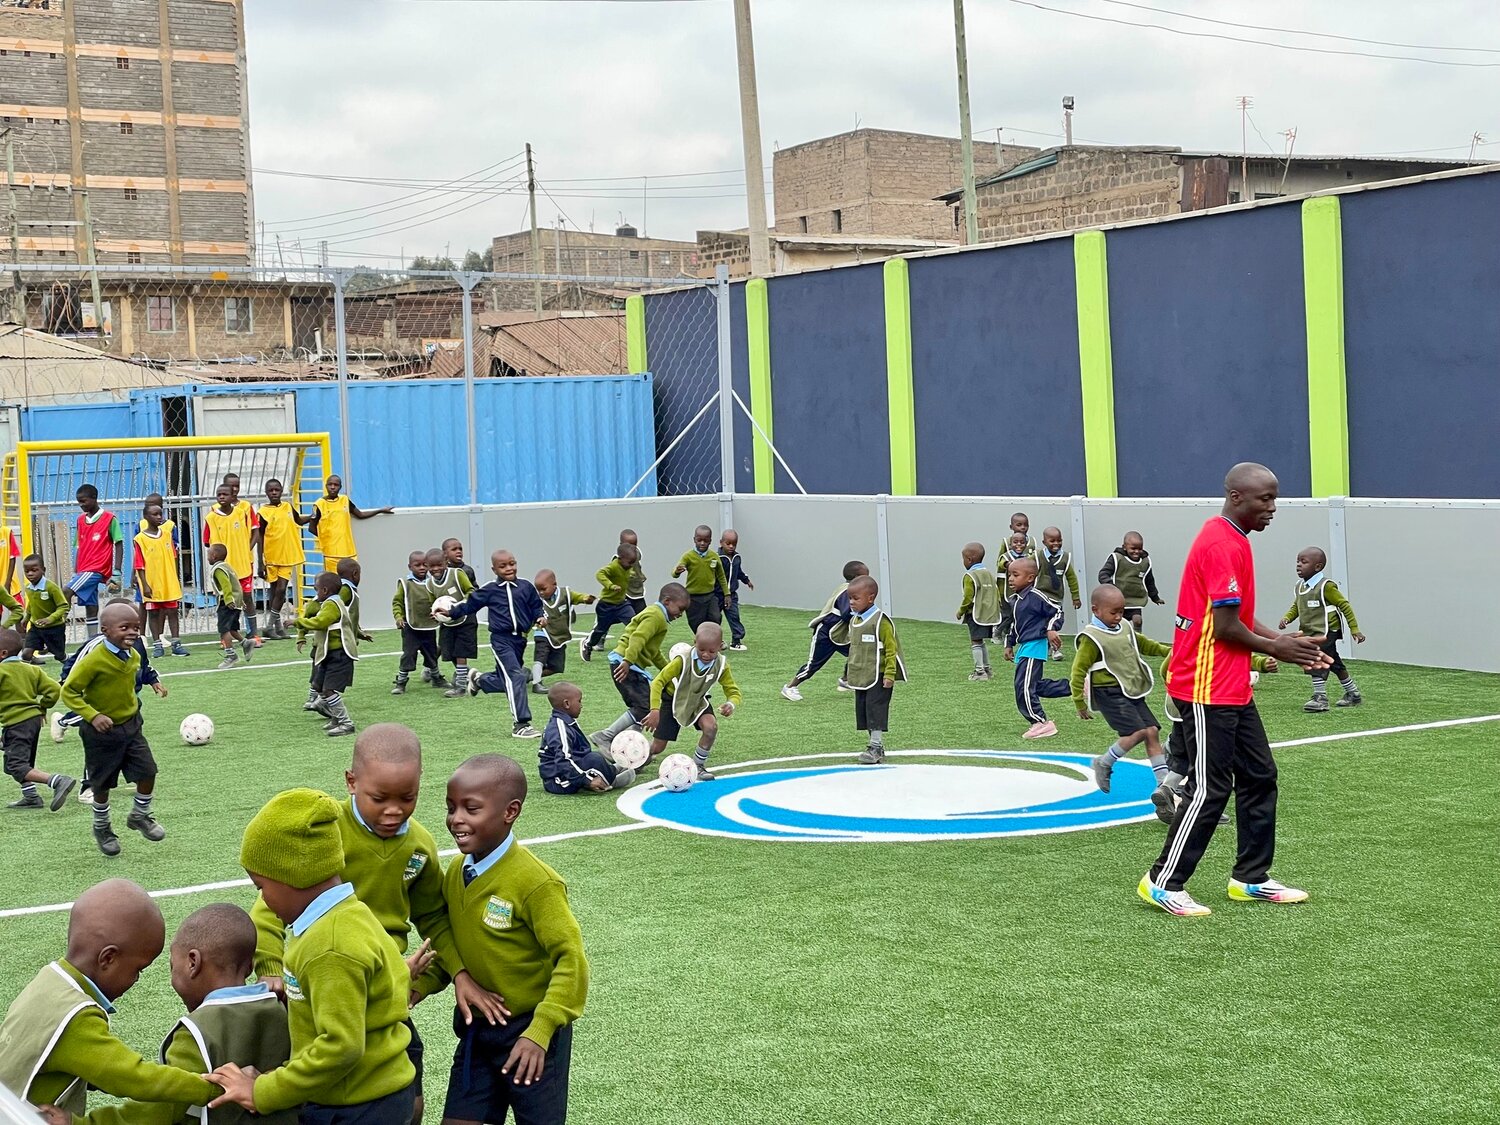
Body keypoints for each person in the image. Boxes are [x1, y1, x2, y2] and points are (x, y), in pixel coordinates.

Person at [1140, 462, 1331, 918]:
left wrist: (1289, 644)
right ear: (1236, 496)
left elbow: (1240, 618)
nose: (1273, 509)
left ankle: (1250, 878)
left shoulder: (1234, 540)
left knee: (1260, 775)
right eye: (1265, 499)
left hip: (1229, 684)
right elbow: (1225, 629)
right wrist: (1277, 648)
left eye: (1275, 499)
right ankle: (1163, 882)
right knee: (1210, 786)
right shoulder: (1220, 543)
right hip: (1205, 684)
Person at [251, 725, 448, 1125]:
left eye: (407, 798)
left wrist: (424, 981)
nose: (393, 810)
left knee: (406, 1088)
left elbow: (437, 921)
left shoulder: (420, 846)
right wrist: (270, 969)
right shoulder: (322, 834)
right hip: (326, 978)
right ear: (351, 782)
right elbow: (268, 907)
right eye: (380, 799)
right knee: (327, 1064)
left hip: (383, 986)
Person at [208, 789, 417, 1124]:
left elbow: (341, 1047)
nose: (263, 900)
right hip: (376, 1096)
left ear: (292, 875)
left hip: (355, 1106)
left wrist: (263, 1090)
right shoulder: (353, 915)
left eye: (261, 887)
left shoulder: (328, 947)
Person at [432, 755, 588, 1125]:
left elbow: (572, 960)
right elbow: (457, 943)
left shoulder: (537, 883)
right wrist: (414, 988)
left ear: (510, 811)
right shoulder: (456, 871)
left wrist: (541, 1031)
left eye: (471, 808)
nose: (456, 819)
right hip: (477, 1035)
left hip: (531, 1037)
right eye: (451, 808)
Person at [0, 880, 221, 1117]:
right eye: (138, 969)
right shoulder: (77, 1017)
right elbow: (134, 1077)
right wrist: (214, 1088)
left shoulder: (48, 980)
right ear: (107, 959)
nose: (136, 980)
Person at [99, 903, 296, 1125]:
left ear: (193, 962)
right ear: (250, 967)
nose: (172, 977)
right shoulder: (286, 1009)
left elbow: (159, 1109)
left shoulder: (195, 1032)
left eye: (173, 967)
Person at [60, 601, 168, 855]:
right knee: (102, 785)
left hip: (131, 725)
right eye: (124, 627)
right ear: (105, 630)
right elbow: (69, 691)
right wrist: (92, 715)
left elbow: (134, 679)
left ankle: (140, 815)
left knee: (148, 771)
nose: (132, 632)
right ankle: (102, 827)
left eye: (136, 627)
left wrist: (148, 687)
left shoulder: (134, 655)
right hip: (101, 732)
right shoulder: (94, 658)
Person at [1152, 652, 1277, 826]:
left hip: (1179, 703)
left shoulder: (1187, 636)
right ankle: (1204, 808)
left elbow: (1165, 669)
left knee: (1187, 754)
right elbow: (1239, 654)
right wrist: (1261, 663)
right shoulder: (1214, 636)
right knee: (1210, 759)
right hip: (1205, 703)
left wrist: (1177, 687)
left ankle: (1168, 786)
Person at [1071, 585, 1172, 792]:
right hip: (1108, 692)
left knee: (1152, 731)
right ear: (1095, 610)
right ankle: (1104, 762)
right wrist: (1079, 702)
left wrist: (1170, 651)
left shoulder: (1125, 626)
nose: (1118, 616)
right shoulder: (1091, 637)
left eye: (1121, 611)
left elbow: (1144, 644)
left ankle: (1164, 784)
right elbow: (1077, 671)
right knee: (1137, 732)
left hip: (1129, 689)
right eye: (1113, 612)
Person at [442, 549, 546, 739]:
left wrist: (540, 617)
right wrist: (450, 612)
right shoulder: (490, 589)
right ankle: (521, 724)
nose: (509, 568)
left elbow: (536, 606)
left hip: (520, 640)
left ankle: (479, 680)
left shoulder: (526, 587)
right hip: (501, 640)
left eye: (512, 564)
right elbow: (469, 605)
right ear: (494, 569)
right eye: (503, 566)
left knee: (507, 679)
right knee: (516, 676)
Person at [589, 583, 690, 751]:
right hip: (625, 665)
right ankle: (605, 736)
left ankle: (631, 749)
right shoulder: (655, 616)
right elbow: (638, 638)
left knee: (642, 706)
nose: (681, 614)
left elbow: (653, 652)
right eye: (680, 608)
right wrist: (627, 661)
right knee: (644, 707)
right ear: (667, 601)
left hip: (630, 665)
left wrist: (672, 671)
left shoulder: (658, 617)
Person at [644, 621, 741, 781]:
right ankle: (636, 760)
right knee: (658, 747)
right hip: (673, 700)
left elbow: (733, 691)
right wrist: (655, 710)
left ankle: (698, 765)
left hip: (698, 700)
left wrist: (730, 703)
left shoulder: (721, 665)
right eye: (701, 649)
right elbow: (657, 682)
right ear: (694, 642)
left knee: (711, 727)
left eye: (712, 651)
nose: (706, 654)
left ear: (720, 646)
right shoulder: (682, 660)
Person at [1279, 546, 1365, 712]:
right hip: (1310, 632)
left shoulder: (1326, 586)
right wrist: (1287, 618)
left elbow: (1344, 605)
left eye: (1303, 562)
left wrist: (1354, 629)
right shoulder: (1299, 586)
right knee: (1334, 663)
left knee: (1315, 659)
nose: (1298, 565)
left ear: (1317, 567)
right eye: (1297, 561)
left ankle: (1320, 698)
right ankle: (1353, 693)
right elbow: (1297, 606)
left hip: (1327, 631)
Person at [832, 575, 906, 765]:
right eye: (850, 598)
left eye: (856, 599)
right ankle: (874, 744)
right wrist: (849, 673)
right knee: (864, 711)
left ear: (871, 598)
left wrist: (889, 674)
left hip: (879, 677)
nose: (851, 603)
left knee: (876, 710)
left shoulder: (881, 621)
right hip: (861, 676)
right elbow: (854, 649)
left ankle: (876, 747)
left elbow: (892, 649)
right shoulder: (854, 620)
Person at [0, 626, 72, 810]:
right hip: (33, 721)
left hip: (16, 723)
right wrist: (43, 707)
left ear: (2, 653)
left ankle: (56, 781)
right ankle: (31, 796)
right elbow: (54, 690)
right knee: (18, 761)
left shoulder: (2, 672)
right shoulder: (32, 670)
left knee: (17, 765)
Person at [781, 561, 867, 702]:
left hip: (839, 634)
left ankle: (846, 679)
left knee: (857, 651)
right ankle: (790, 687)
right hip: (826, 633)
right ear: (857, 577)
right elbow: (846, 613)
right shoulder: (847, 590)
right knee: (813, 665)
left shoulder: (849, 589)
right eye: (865, 577)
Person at [1004, 557, 1069, 740]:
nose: (1010, 579)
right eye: (1010, 574)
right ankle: (1077, 686)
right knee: (1034, 686)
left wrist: (1051, 629)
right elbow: (1014, 625)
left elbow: (1057, 610)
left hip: (1035, 646)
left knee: (1022, 687)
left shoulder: (1036, 596)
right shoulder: (1015, 600)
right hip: (1024, 647)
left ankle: (1040, 723)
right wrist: (1009, 644)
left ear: (1030, 578)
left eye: (1015, 575)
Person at [538, 681, 634, 794]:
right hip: (558, 780)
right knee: (594, 759)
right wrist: (587, 780)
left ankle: (611, 771)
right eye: (579, 701)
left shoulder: (566, 721)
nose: (581, 705)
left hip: (565, 771)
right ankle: (610, 781)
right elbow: (563, 760)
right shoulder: (559, 728)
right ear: (567, 704)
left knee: (593, 757)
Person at [295, 571, 359, 738]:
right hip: (328, 654)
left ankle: (346, 723)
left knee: (329, 690)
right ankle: (336, 719)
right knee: (319, 687)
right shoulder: (332, 602)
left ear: (324, 590)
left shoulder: (331, 604)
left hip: (339, 654)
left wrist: (297, 621)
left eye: (316, 590)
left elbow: (320, 622)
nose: (316, 594)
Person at [203, 482, 261, 648]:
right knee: (225, 602)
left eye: (225, 494)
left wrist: (245, 550)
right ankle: (227, 637)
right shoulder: (211, 517)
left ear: (233, 496)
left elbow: (254, 531)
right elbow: (207, 542)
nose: (222, 497)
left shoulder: (242, 513)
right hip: (224, 569)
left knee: (247, 598)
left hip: (242, 565)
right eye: (219, 494)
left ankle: (253, 633)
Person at [65, 484, 124, 639]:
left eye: (83, 501)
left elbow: (119, 543)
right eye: (79, 502)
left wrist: (117, 572)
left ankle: (55, 626)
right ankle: (92, 641)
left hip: (96, 569)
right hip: (83, 570)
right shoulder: (80, 520)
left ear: (94, 498)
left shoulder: (110, 519)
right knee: (91, 608)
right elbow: (78, 547)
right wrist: (75, 570)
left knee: (66, 591)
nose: (81, 505)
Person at [257, 479, 312, 640]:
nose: (274, 493)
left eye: (277, 490)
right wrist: (260, 562)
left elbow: (299, 520)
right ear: (266, 492)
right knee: (275, 591)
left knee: (281, 589)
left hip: (287, 556)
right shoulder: (263, 512)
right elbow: (260, 537)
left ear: (281, 491)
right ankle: (278, 627)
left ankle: (269, 626)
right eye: (271, 490)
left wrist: (313, 516)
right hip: (272, 557)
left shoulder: (288, 506)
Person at [133, 502, 189, 658]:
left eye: (160, 514)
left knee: (172, 611)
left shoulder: (167, 535)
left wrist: (175, 578)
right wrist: (144, 585)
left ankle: (176, 643)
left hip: (168, 582)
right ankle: (157, 644)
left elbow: (173, 557)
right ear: (146, 517)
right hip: (152, 583)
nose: (159, 517)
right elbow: (139, 564)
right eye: (155, 514)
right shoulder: (140, 539)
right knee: (154, 613)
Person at [309, 474, 393, 574]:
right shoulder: (319, 504)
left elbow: (360, 514)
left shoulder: (344, 500)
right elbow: (311, 528)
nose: (332, 487)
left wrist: (380, 510)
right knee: (334, 583)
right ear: (326, 486)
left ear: (340, 487)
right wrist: (326, 538)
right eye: (330, 484)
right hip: (331, 554)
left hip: (349, 551)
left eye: (336, 485)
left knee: (351, 581)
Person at [531, 569, 593, 694]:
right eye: (538, 590)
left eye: (544, 589)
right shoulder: (536, 599)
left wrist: (585, 598)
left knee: (557, 667)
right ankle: (536, 684)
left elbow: (577, 597)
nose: (541, 592)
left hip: (560, 636)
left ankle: (528, 676)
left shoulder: (565, 593)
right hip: (542, 633)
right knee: (540, 658)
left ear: (554, 584)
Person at [426, 546, 477, 698]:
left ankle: (460, 687)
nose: (436, 569)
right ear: (427, 566)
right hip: (447, 624)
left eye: (439, 565)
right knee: (449, 652)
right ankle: (468, 676)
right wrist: (434, 613)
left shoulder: (457, 574)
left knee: (461, 652)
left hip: (465, 620)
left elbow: (471, 591)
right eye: (431, 566)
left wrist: (457, 607)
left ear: (446, 562)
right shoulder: (429, 584)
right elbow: (433, 602)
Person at [391, 550, 443, 695]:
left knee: (432, 653)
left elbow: (439, 600)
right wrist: (398, 617)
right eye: (417, 565)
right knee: (408, 654)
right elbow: (397, 602)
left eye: (424, 565)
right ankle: (401, 682)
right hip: (410, 627)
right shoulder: (405, 583)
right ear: (410, 566)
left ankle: (436, 677)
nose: (422, 568)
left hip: (428, 626)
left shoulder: (432, 583)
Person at [580, 542, 638, 660]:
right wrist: (611, 586)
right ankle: (587, 644)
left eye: (633, 563)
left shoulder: (627, 567)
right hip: (606, 605)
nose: (631, 565)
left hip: (622, 604)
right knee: (600, 629)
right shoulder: (613, 566)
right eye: (629, 563)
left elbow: (627, 573)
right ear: (620, 559)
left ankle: (634, 649)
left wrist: (635, 576)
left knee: (634, 622)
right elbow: (599, 574)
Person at [1098, 531, 1165, 630]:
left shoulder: (1145, 562)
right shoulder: (1117, 558)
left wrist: (1155, 597)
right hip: (1118, 599)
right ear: (1124, 547)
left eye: (1140, 549)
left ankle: (1137, 640)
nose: (1136, 552)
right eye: (1133, 548)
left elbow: (1149, 581)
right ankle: (1117, 639)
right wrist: (1112, 588)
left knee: (1138, 620)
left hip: (1135, 599)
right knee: (1118, 622)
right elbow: (1103, 574)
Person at [1034, 526, 1082, 660]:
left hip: (1056, 598)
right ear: (1044, 542)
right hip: (1040, 597)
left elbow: (1071, 578)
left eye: (1059, 540)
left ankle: (1056, 649)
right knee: (1042, 624)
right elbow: (1027, 571)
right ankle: (1046, 647)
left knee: (1054, 623)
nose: (1056, 544)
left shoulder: (1065, 558)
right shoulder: (1038, 556)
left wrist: (1076, 597)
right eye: (1052, 541)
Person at [672, 524, 731, 632]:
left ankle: (715, 639)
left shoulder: (714, 556)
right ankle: (700, 641)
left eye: (706, 540)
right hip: (693, 597)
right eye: (699, 540)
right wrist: (677, 571)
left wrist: (727, 594)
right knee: (696, 621)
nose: (702, 543)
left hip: (710, 595)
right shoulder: (688, 556)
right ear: (694, 540)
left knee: (716, 617)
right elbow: (674, 573)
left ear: (710, 541)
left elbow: (721, 576)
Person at [956, 542, 1000, 682]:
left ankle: (979, 672)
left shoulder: (970, 576)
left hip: (975, 614)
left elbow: (968, 597)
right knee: (981, 642)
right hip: (989, 614)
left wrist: (960, 611)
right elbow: (996, 593)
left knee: (975, 641)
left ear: (969, 559)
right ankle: (987, 669)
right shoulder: (988, 573)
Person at [19, 554, 69, 665]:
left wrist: (50, 619)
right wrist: (27, 617)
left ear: (43, 570)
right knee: (26, 653)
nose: (30, 574)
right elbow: (31, 604)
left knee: (59, 656)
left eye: (34, 570)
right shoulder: (29, 588)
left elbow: (64, 606)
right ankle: (28, 676)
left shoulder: (51, 587)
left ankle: (69, 664)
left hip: (54, 628)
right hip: (36, 627)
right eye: (27, 571)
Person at [207, 544, 251, 670]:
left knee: (224, 629)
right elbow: (236, 583)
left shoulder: (219, 569)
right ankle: (245, 643)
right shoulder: (227, 567)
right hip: (235, 601)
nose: (208, 558)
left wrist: (228, 599)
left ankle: (231, 655)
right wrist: (240, 600)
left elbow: (226, 585)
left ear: (214, 556)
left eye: (209, 555)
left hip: (227, 602)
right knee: (231, 628)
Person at [994, 531, 1033, 645]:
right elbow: (1001, 563)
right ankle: (998, 631)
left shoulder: (1027, 557)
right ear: (1010, 544)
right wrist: (1008, 564)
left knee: (1020, 613)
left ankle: (1017, 634)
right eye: (1015, 542)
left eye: (1022, 542)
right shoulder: (1007, 556)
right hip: (1010, 590)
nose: (1019, 545)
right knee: (1010, 614)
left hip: (1024, 591)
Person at [717, 529, 753, 651]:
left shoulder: (737, 557)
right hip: (717, 594)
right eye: (728, 543)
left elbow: (739, 572)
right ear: (721, 543)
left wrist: (746, 580)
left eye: (734, 544)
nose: (731, 546)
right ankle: (715, 641)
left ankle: (736, 641)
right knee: (715, 617)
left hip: (732, 594)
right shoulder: (717, 558)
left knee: (734, 616)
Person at [618, 528, 647, 617]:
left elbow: (637, 567)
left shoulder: (637, 553)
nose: (632, 548)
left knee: (643, 616)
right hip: (624, 593)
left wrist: (641, 577)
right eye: (628, 545)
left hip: (637, 591)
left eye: (634, 545)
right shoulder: (618, 559)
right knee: (623, 615)